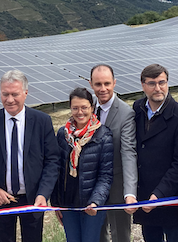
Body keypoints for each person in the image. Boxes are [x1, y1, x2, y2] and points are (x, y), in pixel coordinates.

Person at [0, 70, 59, 242]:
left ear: (26, 93)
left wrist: (43, 194)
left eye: (15, 94)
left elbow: (52, 161)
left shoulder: (42, 121)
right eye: (5, 94)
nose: (10, 99)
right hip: (1, 200)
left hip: (33, 199)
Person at [132, 64, 178, 242]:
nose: (158, 88)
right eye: (152, 83)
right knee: (150, 238)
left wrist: (159, 194)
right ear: (143, 85)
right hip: (144, 192)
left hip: (168, 196)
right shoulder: (137, 109)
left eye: (162, 82)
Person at [51, 87, 114, 242]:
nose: (80, 112)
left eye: (84, 107)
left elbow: (105, 175)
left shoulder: (103, 135)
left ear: (92, 108)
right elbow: (57, 170)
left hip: (91, 205)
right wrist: (56, 203)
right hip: (68, 204)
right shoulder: (62, 134)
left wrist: (96, 201)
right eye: (75, 108)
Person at [89, 64, 138, 242]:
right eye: (98, 84)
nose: (103, 89)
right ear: (91, 84)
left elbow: (128, 152)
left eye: (107, 83)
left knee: (120, 236)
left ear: (115, 83)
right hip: (93, 188)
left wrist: (130, 192)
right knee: (97, 234)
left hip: (117, 186)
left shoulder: (126, 113)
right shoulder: (88, 109)